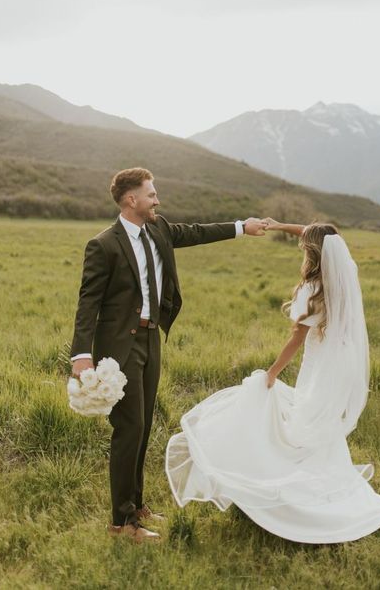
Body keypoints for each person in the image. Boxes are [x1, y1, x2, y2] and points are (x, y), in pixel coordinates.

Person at [165, 220, 380, 543]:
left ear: (311, 253)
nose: (301, 247)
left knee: (304, 426)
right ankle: (328, 483)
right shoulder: (344, 274)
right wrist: (279, 225)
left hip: (319, 367)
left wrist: (272, 373)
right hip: (341, 365)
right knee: (322, 426)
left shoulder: (310, 290)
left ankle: (304, 500)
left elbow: (295, 340)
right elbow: (321, 235)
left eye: (304, 246)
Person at [70, 167, 267, 543]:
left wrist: (244, 226)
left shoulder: (158, 229)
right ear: (132, 200)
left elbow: (196, 232)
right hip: (119, 347)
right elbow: (88, 302)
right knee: (128, 429)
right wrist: (82, 355)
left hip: (150, 340)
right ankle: (122, 523)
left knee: (142, 425)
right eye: (152, 194)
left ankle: (136, 504)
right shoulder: (104, 245)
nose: (157, 200)